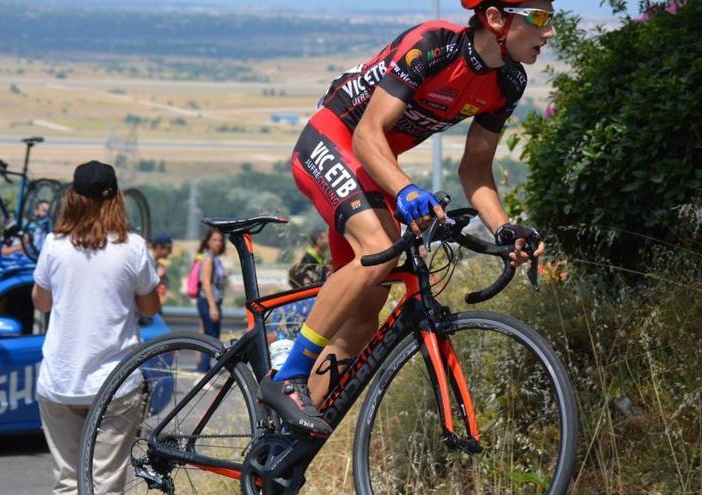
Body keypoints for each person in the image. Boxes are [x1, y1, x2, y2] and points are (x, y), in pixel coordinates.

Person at [257, 0, 552, 436]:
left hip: (373, 165)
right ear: (495, 18)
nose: (548, 34)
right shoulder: (432, 45)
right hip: (333, 138)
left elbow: (475, 170)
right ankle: (287, 378)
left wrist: (504, 228)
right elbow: (367, 132)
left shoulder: (508, 81)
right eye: (540, 19)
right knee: (376, 252)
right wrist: (406, 190)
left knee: (362, 316)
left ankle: (281, 445)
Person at [31, 160, 160, 494]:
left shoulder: (53, 246)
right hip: (115, 382)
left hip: (60, 380)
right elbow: (150, 307)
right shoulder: (132, 247)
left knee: (67, 483)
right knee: (105, 485)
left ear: (72, 197)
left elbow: (40, 302)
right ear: (117, 198)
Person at [195, 227, 227, 372]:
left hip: (212, 302)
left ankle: (205, 369)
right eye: (214, 240)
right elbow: (206, 283)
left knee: (211, 336)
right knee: (211, 338)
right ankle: (202, 372)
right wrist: (212, 306)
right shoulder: (208, 259)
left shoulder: (215, 259)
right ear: (208, 242)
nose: (218, 243)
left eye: (220, 240)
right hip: (208, 302)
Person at [149, 233, 173, 307]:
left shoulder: (155, 262)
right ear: (159, 247)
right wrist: (158, 276)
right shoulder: (147, 260)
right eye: (168, 249)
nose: (170, 252)